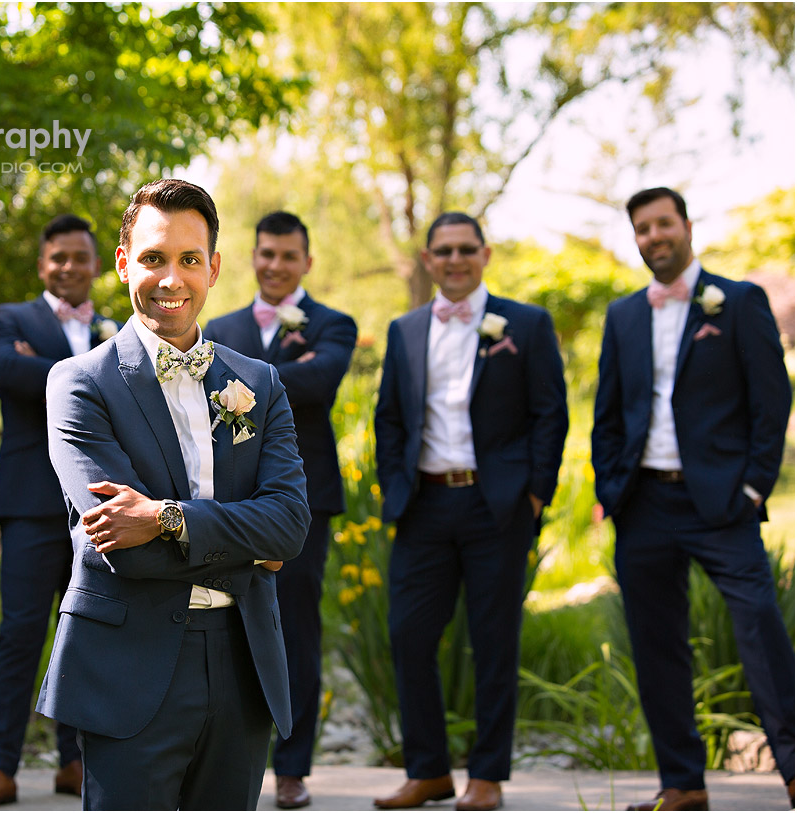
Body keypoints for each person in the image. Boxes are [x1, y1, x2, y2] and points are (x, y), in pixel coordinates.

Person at [36, 178, 311, 809]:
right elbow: (124, 550)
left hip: (242, 662)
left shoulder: (258, 383)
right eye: (154, 258)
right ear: (124, 260)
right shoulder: (79, 384)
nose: (172, 278)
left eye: (190, 260)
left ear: (213, 269)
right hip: (130, 664)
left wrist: (163, 516)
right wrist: (248, 540)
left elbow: (291, 526)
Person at [592, 187, 794, 812]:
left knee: (760, 630)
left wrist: (754, 486)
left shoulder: (737, 302)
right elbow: (608, 414)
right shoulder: (623, 316)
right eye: (642, 229)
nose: (654, 237)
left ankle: (794, 772)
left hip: (723, 507)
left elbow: (772, 400)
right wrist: (609, 488)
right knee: (656, 644)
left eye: (663, 224)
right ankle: (682, 783)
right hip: (643, 504)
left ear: (685, 225)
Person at [372, 212, 567, 811]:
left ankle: (487, 776)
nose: (454, 260)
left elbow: (550, 415)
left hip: (496, 507)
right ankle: (428, 771)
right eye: (443, 251)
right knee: (409, 637)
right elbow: (390, 419)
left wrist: (534, 495)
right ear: (428, 259)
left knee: (493, 640)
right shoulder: (404, 330)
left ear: (485, 254)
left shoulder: (526, 325)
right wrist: (393, 489)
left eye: (465, 250)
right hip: (423, 505)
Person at [0, 214, 112, 810]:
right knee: (21, 634)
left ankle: (76, 762)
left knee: (88, 635)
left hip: (98, 505)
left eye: (79, 257)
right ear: (42, 264)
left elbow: (136, 391)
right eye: (58, 258)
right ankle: (0, 768)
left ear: (98, 264)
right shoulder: (9, 319)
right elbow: (9, 372)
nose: (69, 267)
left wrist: (48, 370)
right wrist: (93, 377)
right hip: (28, 505)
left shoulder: (119, 324)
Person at [203, 211, 357, 809]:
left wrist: (240, 386)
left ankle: (292, 768)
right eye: (266, 254)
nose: (275, 265)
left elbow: (319, 387)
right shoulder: (219, 324)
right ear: (254, 255)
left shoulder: (333, 325)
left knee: (296, 630)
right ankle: (220, 755)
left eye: (288, 256)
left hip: (302, 503)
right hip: (224, 502)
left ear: (307, 262)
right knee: (220, 626)